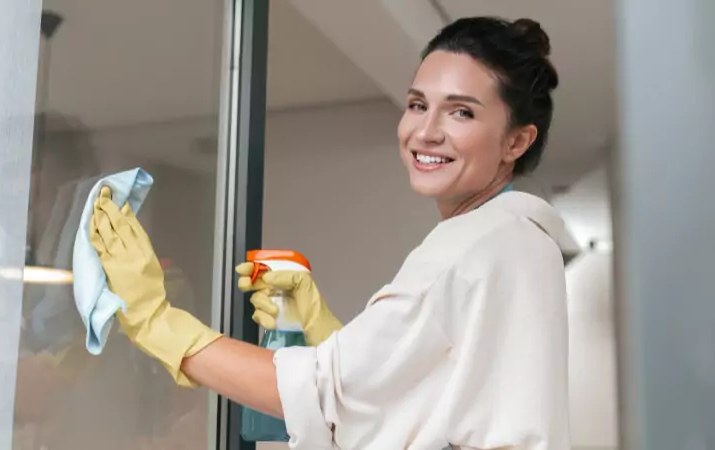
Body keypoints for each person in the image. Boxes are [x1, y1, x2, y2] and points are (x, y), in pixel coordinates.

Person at [89, 16, 569, 449]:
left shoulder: (471, 247)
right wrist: (328, 337)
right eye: (418, 104)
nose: (426, 131)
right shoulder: (521, 242)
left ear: (516, 140)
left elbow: (318, 394)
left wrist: (156, 320)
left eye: (461, 112)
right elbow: (417, 404)